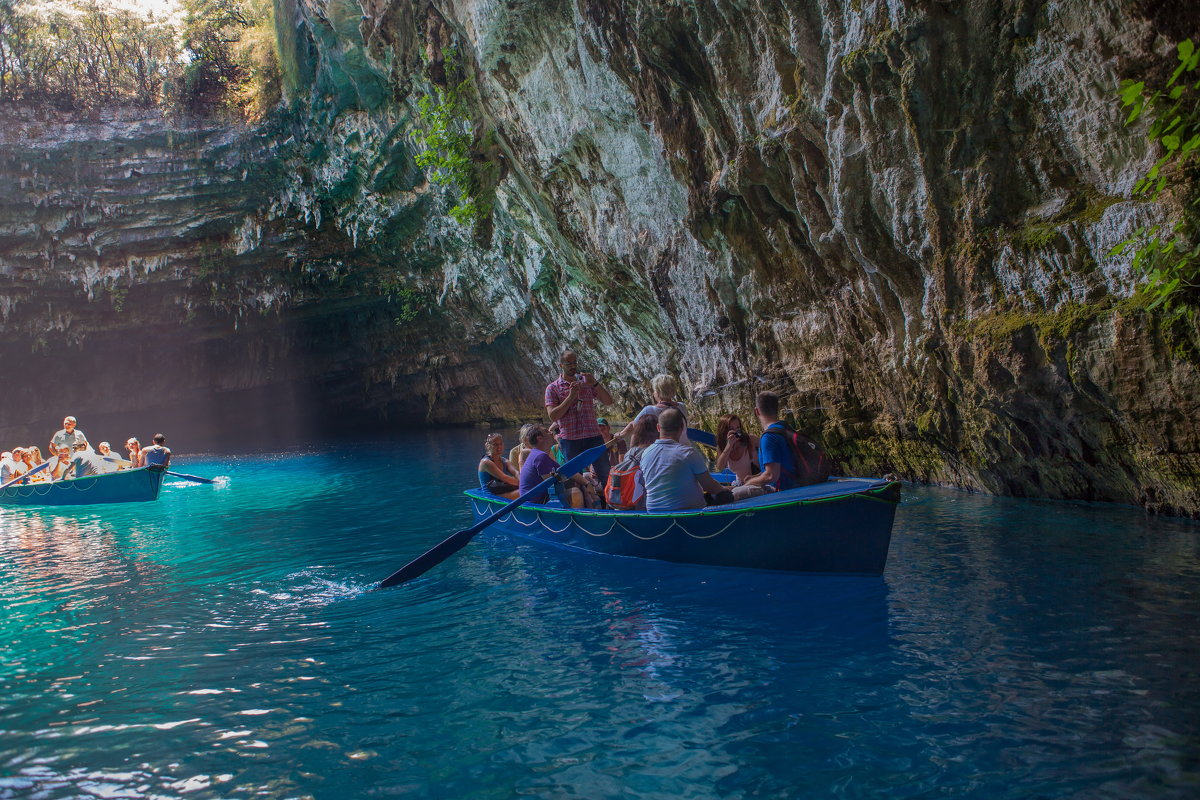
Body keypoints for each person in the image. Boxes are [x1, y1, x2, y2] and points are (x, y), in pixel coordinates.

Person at [545, 350, 613, 494]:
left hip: (593, 436)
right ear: (561, 365)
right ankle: (580, 508)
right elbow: (552, 416)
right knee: (574, 478)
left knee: (606, 473)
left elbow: (608, 401)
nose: (573, 366)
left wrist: (595, 382)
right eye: (569, 363)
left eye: (575, 362)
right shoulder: (553, 388)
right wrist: (571, 397)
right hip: (570, 439)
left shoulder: (587, 384)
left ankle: (610, 506)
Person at [640, 409, 731, 513]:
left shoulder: (646, 453)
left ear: (658, 427)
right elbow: (711, 487)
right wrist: (726, 489)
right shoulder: (688, 453)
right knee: (726, 495)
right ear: (682, 428)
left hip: (654, 512)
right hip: (688, 513)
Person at [742, 392, 797, 492]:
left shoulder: (769, 437)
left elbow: (771, 475)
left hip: (784, 491)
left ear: (757, 411)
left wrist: (749, 483)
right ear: (777, 409)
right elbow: (782, 465)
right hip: (796, 483)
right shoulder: (785, 427)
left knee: (736, 494)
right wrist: (755, 477)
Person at [518, 424, 583, 508]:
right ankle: (577, 519)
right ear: (540, 438)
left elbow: (566, 470)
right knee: (575, 493)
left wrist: (586, 483)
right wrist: (564, 478)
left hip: (539, 499)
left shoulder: (540, 454)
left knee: (576, 486)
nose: (550, 432)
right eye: (546, 431)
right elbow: (551, 484)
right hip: (534, 503)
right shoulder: (540, 456)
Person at [616, 374, 691, 445]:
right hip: (685, 449)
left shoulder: (649, 410)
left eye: (654, 390)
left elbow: (634, 425)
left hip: (664, 452)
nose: (653, 393)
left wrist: (620, 434)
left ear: (658, 392)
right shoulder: (682, 406)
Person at [715, 413, 759, 485]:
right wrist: (729, 446)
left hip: (759, 481)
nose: (736, 432)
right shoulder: (722, 446)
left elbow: (770, 449)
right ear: (724, 431)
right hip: (741, 484)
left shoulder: (750, 440)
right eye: (731, 429)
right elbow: (720, 467)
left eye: (738, 428)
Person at [478, 433, 520, 500]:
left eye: (501, 444)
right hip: (491, 496)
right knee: (524, 491)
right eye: (495, 445)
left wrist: (524, 481)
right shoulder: (486, 462)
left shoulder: (505, 461)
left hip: (503, 492)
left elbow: (516, 473)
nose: (499, 447)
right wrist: (524, 484)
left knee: (527, 490)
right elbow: (504, 478)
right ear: (488, 446)